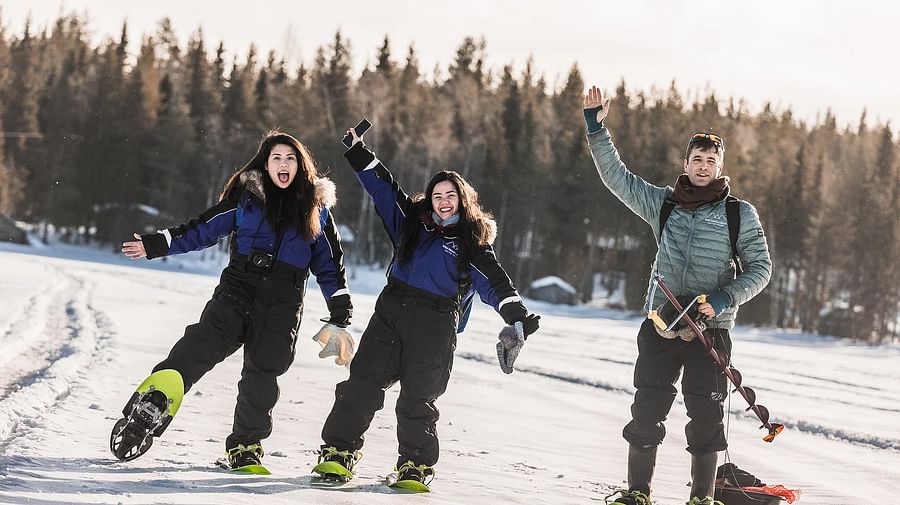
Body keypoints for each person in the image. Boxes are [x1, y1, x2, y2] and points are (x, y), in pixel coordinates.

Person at [312, 125, 540, 488]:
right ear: (429, 199)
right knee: (362, 385)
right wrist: (358, 151)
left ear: (463, 200)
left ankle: (415, 464)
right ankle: (339, 452)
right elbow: (383, 190)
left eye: (451, 195)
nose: (443, 200)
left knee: (418, 399)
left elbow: (495, 282)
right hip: (391, 314)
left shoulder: (471, 244)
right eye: (437, 195)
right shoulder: (411, 224)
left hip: (434, 327)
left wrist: (517, 317)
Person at [113, 131, 354, 469]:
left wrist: (339, 307)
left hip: (283, 301)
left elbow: (330, 265)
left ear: (301, 166)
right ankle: (155, 400)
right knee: (204, 341)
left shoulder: (317, 211)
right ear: (266, 165)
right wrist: (157, 244)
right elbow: (202, 229)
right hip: (240, 287)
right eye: (276, 158)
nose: (283, 164)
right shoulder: (247, 199)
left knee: (264, 371)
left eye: (290, 159)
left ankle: (245, 446)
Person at [582, 86, 772, 505]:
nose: (703, 167)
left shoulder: (739, 214)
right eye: (696, 159)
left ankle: (701, 498)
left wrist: (723, 300)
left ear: (721, 166)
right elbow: (618, 178)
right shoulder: (664, 204)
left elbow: (762, 269)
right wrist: (596, 128)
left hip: (710, 331)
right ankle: (637, 493)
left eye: (711, 161)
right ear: (685, 163)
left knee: (705, 417)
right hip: (662, 325)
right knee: (647, 409)